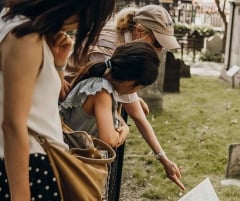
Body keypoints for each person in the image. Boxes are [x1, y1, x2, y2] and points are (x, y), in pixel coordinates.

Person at [0, 1, 115, 201]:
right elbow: (13, 124)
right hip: (30, 166)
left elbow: (40, 103)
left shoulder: (16, 25)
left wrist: (59, 64)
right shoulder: (27, 37)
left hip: (33, 162)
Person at [66, 5, 185, 191]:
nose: (159, 51)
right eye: (157, 44)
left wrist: (132, 98)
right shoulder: (107, 51)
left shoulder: (121, 55)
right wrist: (124, 126)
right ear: (139, 31)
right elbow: (132, 120)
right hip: (72, 123)